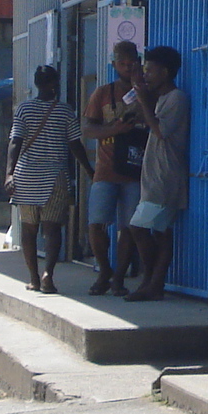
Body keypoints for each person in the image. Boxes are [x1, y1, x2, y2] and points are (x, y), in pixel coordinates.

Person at [7, 65, 81, 294]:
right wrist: (88, 169)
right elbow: (75, 144)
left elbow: (15, 142)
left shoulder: (24, 109)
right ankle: (48, 273)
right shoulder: (66, 111)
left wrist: (9, 173)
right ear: (54, 85)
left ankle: (33, 279)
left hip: (26, 175)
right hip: (55, 177)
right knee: (53, 229)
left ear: (37, 84)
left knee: (29, 230)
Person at [81, 41, 147, 296]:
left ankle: (118, 277)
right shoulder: (102, 93)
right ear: (114, 64)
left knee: (130, 228)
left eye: (132, 63)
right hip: (106, 169)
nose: (128, 67)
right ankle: (105, 270)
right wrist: (114, 130)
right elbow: (87, 129)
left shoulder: (145, 92)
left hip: (135, 170)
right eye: (123, 63)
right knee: (96, 223)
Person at [123, 46, 188, 301]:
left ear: (166, 72)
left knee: (138, 228)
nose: (146, 74)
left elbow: (161, 130)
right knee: (158, 232)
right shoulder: (160, 98)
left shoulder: (176, 98)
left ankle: (153, 280)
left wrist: (143, 101)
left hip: (166, 175)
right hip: (153, 174)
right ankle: (152, 283)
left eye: (150, 70)